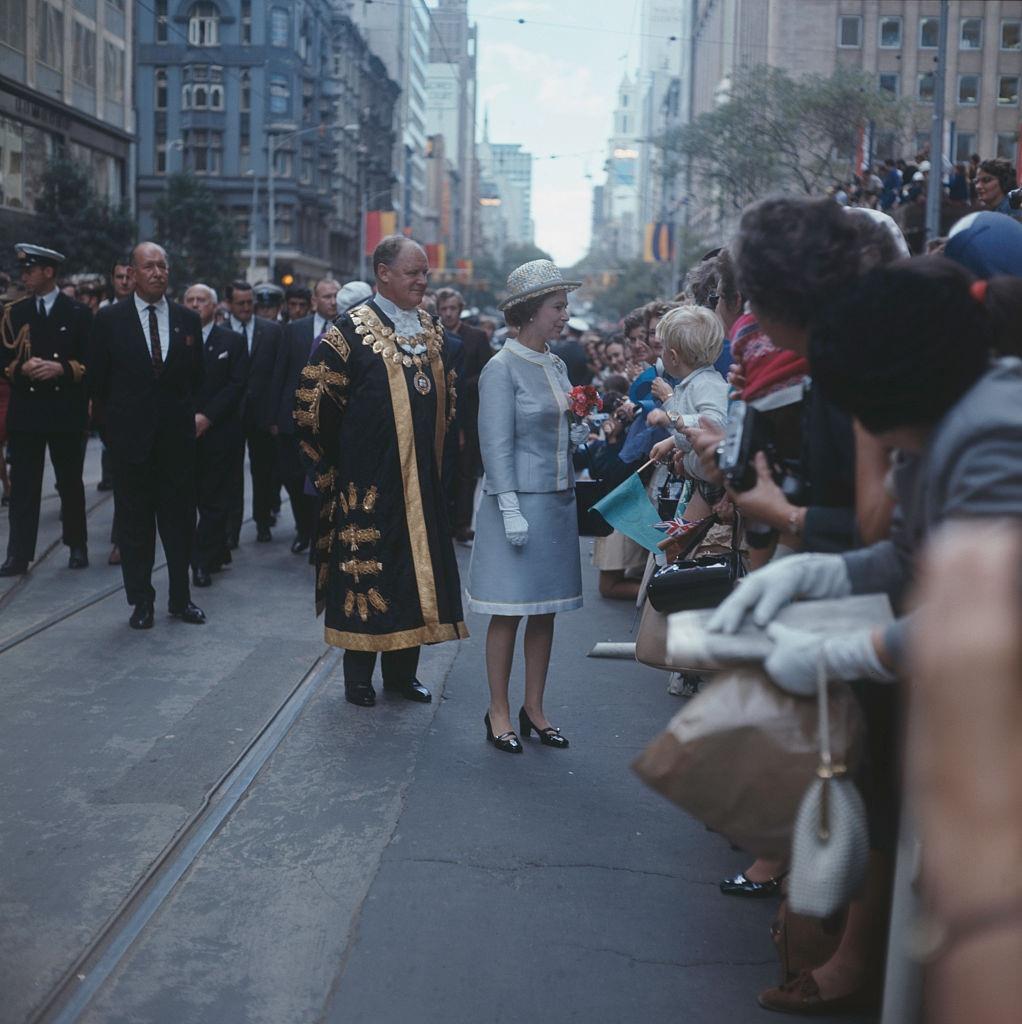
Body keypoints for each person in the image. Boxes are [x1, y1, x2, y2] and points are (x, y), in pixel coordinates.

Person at [294, 235, 466, 708]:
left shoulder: (432, 333)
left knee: (412, 577)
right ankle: (357, 678)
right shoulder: (346, 332)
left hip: (421, 483)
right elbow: (312, 409)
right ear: (383, 273)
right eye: (413, 272)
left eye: (425, 272)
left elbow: (448, 409)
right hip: (365, 485)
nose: (422, 280)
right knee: (366, 578)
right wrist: (339, 466)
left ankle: (402, 675)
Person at [466, 260, 587, 753]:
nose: (564, 315)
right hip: (516, 506)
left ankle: (534, 707)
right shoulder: (501, 366)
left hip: (557, 501)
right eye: (558, 307)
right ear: (530, 312)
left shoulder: (556, 364)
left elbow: (556, 425)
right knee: (509, 610)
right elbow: (494, 446)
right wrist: (510, 507)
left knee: (545, 611)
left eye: (563, 307)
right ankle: (497, 710)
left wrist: (576, 427)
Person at [89, 242, 205, 628]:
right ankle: (141, 602)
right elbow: (99, 385)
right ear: (132, 274)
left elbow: (195, 381)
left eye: (162, 266)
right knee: (136, 528)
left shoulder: (187, 321)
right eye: (148, 267)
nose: (157, 273)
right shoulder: (109, 321)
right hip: (130, 445)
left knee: (179, 524)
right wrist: (115, 434)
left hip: (176, 446)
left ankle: (180, 598)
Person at [0, 244, 91, 576]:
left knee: (69, 482)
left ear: (49, 272)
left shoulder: (78, 313)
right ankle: (18, 554)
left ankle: (77, 544)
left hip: (64, 410)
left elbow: (91, 362)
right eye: (23, 270)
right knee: (24, 487)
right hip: (27, 412)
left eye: (30, 270)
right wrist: (19, 369)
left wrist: (62, 369)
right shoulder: (15, 312)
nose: (25, 276)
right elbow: (3, 360)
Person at [183, 283, 247, 587]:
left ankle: (202, 561)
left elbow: (236, 385)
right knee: (186, 499)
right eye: (190, 300)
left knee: (213, 500)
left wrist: (207, 417)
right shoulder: (174, 337)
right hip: (181, 433)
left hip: (219, 433)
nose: (196, 305)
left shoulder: (232, 341)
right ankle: (215, 549)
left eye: (202, 300)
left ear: (214, 306)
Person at [272, 278, 339, 554]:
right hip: (295, 420)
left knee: (321, 481)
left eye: (336, 296)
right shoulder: (294, 330)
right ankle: (304, 528)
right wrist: (275, 417)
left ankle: (320, 536)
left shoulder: (347, 330)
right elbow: (281, 372)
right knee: (293, 476)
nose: (332, 302)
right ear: (315, 301)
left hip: (329, 423)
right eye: (326, 297)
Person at [227, 280, 284, 545]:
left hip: (262, 416)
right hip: (229, 416)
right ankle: (231, 530)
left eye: (251, 303)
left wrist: (274, 416)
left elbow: (277, 376)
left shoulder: (271, 331)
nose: (247, 308)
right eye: (241, 303)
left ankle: (262, 522)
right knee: (230, 474)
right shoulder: (220, 331)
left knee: (263, 473)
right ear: (229, 305)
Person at [436, 287, 492, 544]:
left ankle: (462, 524)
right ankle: (443, 520)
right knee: (443, 469)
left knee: (466, 471)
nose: (448, 314)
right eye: (444, 309)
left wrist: (462, 384)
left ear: (460, 309)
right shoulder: (432, 335)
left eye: (453, 309)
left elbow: (487, 372)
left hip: (468, 413)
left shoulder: (476, 337)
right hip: (440, 412)